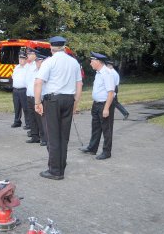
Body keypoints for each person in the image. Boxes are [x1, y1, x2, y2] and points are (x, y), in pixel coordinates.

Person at [34, 36, 83, 180]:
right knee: (63, 136)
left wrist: (37, 102)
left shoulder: (49, 61)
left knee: (53, 136)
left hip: (53, 100)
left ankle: (55, 171)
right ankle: (61, 166)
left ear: (51, 47)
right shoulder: (73, 62)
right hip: (69, 99)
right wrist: (75, 103)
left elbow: (38, 83)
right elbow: (79, 84)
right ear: (64, 47)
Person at [79, 52, 115, 160]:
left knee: (106, 129)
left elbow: (110, 93)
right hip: (96, 104)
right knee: (95, 128)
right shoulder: (98, 73)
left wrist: (106, 108)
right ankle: (92, 148)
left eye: (92, 61)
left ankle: (106, 152)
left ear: (98, 62)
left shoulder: (107, 73)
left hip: (104, 104)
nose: (90, 64)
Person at [26, 51, 47, 145]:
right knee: (32, 118)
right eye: (37, 61)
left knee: (41, 119)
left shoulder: (45, 72)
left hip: (40, 98)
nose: (38, 63)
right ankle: (35, 136)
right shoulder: (32, 69)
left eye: (40, 61)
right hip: (30, 96)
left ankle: (44, 138)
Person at [11, 51, 29, 129]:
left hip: (24, 90)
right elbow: (13, 77)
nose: (20, 60)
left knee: (26, 108)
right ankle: (17, 121)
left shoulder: (28, 67)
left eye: (22, 58)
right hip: (15, 90)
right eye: (19, 58)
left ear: (26, 59)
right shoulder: (16, 67)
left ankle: (28, 123)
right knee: (17, 107)